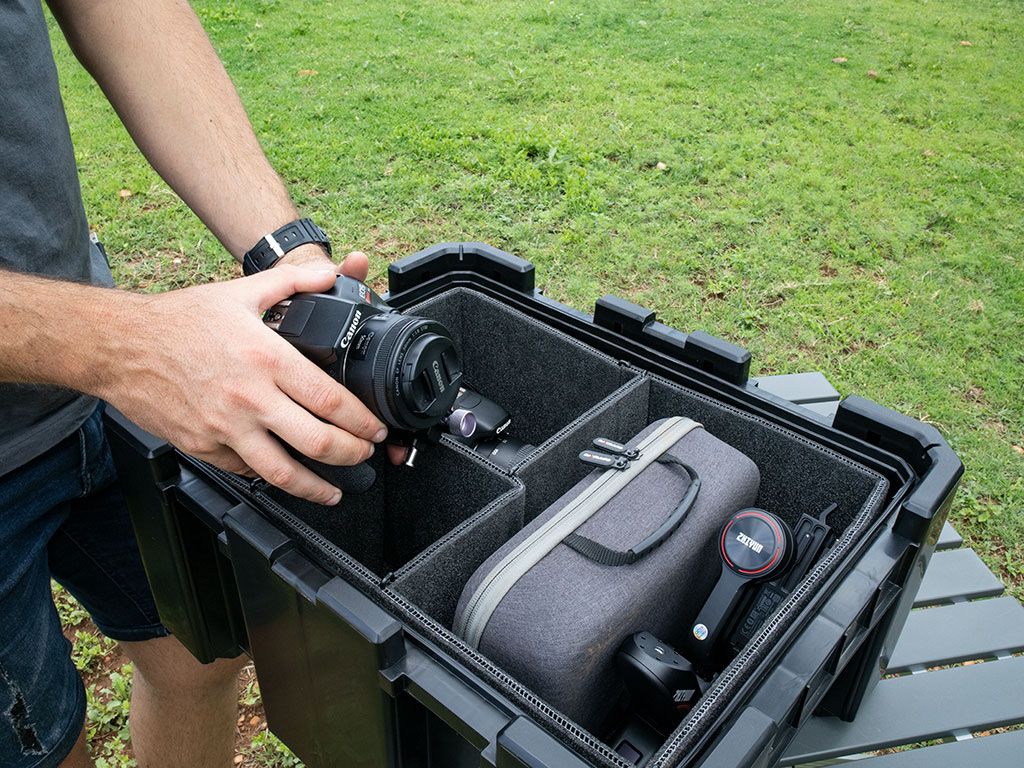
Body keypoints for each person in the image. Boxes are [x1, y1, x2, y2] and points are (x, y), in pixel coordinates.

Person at [0, 1, 401, 766]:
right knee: (46, 747)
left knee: (203, 651)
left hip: (100, 396)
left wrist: (288, 255)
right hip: (101, 373)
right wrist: (127, 348)